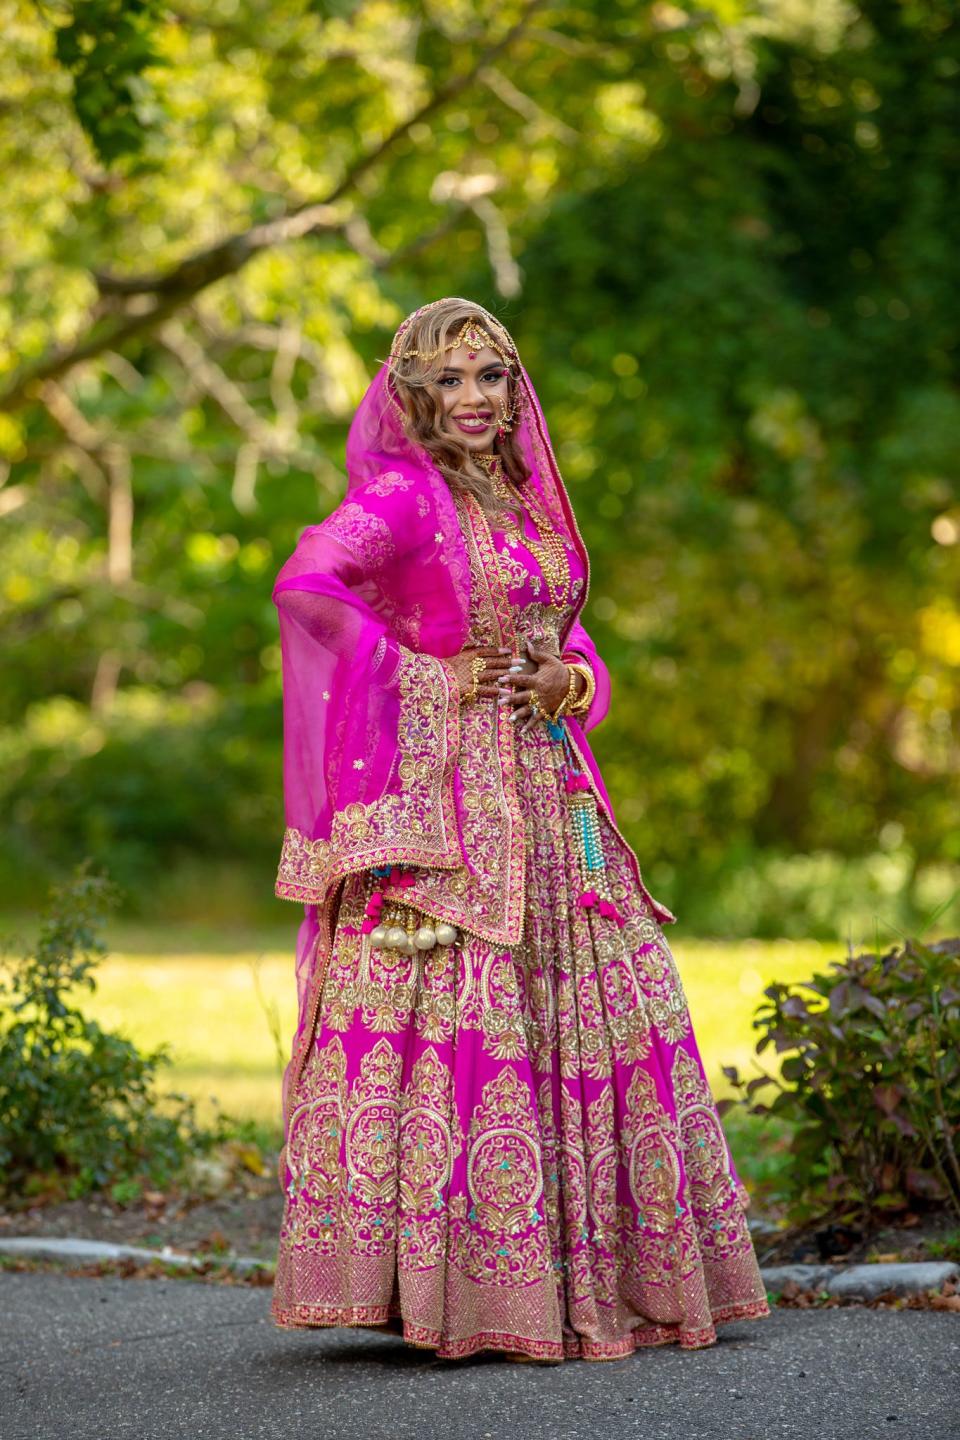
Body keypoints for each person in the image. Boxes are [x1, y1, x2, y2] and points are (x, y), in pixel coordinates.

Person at [268, 297, 770, 1362]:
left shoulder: (525, 502)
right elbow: (308, 586)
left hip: (555, 801)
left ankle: (601, 1280)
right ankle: (456, 1296)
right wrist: (427, 681)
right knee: (468, 1031)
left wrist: (572, 675)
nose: (474, 399)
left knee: (608, 1013)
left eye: (490, 376)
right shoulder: (402, 499)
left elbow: (568, 629)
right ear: (412, 393)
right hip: (449, 816)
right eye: (448, 380)